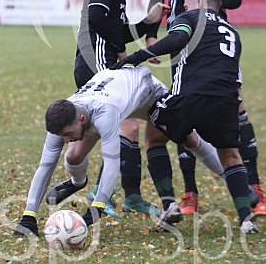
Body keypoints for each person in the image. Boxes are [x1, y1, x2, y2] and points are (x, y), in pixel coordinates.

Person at [147, 0, 266, 216]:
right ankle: (190, 193)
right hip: (184, 41)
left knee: (237, 105)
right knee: (184, 107)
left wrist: (209, 3)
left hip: (219, 44)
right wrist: (151, 35)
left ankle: (255, 187)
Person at [114, 0, 260, 234]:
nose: (181, 10)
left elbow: (178, 38)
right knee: (231, 157)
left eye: (185, 4)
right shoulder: (232, 32)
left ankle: (169, 205)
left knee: (155, 136)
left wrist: (136, 56)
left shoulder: (192, 17)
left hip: (190, 96)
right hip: (225, 101)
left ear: (200, 4)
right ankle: (246, 218)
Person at [12, 66, 223, 236]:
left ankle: (229, 175)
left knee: (190, 140)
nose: (66, 139)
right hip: (112, 94)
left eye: (68, 133)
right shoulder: (65, 118)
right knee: (73, 155)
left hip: (149, 95)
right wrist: (28, 215)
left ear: (82, 119)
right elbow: (45, 166)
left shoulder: (105, 113)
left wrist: (97, 207)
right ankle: (77, 182)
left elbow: (112, 163)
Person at [74, 0, 167, 217]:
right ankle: (110, 195)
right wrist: (124, 53)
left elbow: (116, 29)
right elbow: (98, 21)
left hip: (99, 64)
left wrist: (147, 23)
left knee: (84, 144)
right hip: (97, 65)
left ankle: (112, 191)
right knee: (127, 125)